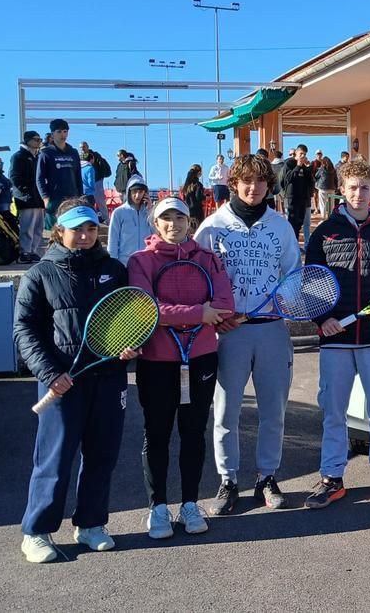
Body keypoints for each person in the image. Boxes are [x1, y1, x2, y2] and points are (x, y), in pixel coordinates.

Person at [14, 197, 140, 563]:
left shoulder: (114, 269)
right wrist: (51, 374)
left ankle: (91, 525)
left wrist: (131, 345)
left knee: (103, 456)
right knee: (54, 459)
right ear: (59, 230)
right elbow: (25, 330)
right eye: (76, 229)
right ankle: (36, 531)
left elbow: (128, 316)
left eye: (90, 228)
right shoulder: (40, 274)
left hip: (109, 379)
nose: (85, 236)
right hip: (61, 381)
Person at [194, 154, 300, 515]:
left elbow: (293, 277)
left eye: (260, 181)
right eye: (246, 181)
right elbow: (196, 280)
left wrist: (286, 303)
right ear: (234, 183)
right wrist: (212, 319)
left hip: (271, 330)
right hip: (228, 334)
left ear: (269, 185)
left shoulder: (281, 227)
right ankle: (228, 480)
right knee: (226, 412)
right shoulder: (212, 227)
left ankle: (267, 477)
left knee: (274, 412)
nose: (253, 188)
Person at [304, 159, 370, 509]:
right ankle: (332, 478)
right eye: (352, 187)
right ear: (342, 190)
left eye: (365, 187)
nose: (359, 193)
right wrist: (323, 319)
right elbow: (311, 283)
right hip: (336, 339)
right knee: (334, 412)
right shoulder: (325, 233)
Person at [127, 197, 234, 539]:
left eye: (180, 217)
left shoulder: (209, 259)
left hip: (200, 359)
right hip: (156, 364)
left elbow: (224, 305)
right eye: (166, 218)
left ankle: (190, 503)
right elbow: (146, 308)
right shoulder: (140, 261)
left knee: (193, 433)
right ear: (155, 224)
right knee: (156, 434)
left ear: (190, 221)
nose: (173, 224)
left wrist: (197, 313)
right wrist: (197, 313)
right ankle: (158, 507)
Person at [36, 119, 83, 230]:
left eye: (65, 131)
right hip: (54, 199)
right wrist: (45, 198)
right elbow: (39, 178)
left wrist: (80, 196)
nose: (63, 135)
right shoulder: (46, 153)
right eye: (59, 132)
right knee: (54, 232)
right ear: (52, 134)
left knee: (72, 230)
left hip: (72, 197)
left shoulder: (73, 152)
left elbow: (78, 176)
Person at [9, 131, 46, 263]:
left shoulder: (37, 157)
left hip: (38, 198)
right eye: (36, 139)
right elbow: (14, 177)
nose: (39, 141)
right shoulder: (18, 156)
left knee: (38, 227)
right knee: (27, 227)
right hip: (26, 198)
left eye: (40, 139)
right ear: (28, 140)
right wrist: (26, 192)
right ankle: (24, 252)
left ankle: (33, 251)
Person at [107, 174, 154, 265]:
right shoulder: (119, 212)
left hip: (145, 262)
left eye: (141, 192)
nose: (137, 195)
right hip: (125, 263)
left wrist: (150, 211)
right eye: (135, 191)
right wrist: (113, 263)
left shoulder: (149, 212)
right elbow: (113, 239)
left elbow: (156, 235)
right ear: (129, 192)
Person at [282, 145, 314, 242]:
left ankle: (295, 244)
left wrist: (308, 168)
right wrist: (298, 166)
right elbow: (288, 179)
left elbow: (310, 182)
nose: (302, 156)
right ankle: (291, 245)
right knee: (292, 224)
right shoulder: (289, 163)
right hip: (292, 198)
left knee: (299, 223)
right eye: (301, 154)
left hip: (302, 199)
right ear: (296, 153)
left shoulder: (304, 166)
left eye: (304, 154)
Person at [80, 141, 111, 220]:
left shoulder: (95, 155)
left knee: (100, 200)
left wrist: (100, 177)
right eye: (80, 147)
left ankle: (106, 219)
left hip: (97, 180)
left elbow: (101, 166)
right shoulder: (79, 157)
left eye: (83, 146)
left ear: (87, 146)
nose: (82, 148)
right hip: (85, 184)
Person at [79, 151, 105, 222]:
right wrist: (93, 189)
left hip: (81, 192)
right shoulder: (90, 168)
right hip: (89, 193)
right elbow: (91, 181)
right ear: (91, 159)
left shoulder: (79, 168)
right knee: (91, 210)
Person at [313, 152, 337, 219]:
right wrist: (336, 187)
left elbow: (316, 175)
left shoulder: (322, 169)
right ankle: (331, 217)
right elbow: (336, 179)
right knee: (332, 204)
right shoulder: (333, 170)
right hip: (332, 189)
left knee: (322, 204)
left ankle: (323, 217)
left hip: (323, 188)